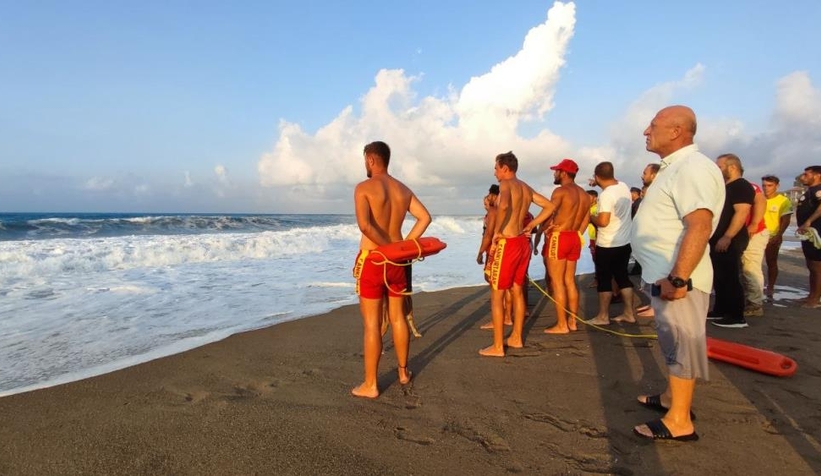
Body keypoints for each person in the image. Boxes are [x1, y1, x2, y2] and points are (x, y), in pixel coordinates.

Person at [632, 105, 725, 442]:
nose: (646, 130)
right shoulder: (676, 168)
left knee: (682, 344)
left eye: (652, 124)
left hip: (680, 279)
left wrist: (678, 278)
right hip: (668, 275)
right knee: (673, 342)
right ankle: (673, 399)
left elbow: (699, 225)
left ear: (676, 131)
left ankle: (679, 421)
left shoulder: (692, 167)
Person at [351, 141, 431, 398]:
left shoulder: (364, 188)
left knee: (372, 325)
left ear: (371, 159)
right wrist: (402, 247)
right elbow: (425, 217)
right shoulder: (402, 189)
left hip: (374, 260)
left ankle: (371, 385)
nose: (365, 164)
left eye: (365, 160)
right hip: (398, 263)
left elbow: (365, 226)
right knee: (398, 318)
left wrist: (385, 247)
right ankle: (403, 372)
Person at [480, 151, 555, 357]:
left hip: (508, 242)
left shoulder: (506, 184)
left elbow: (503, 206)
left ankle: (497, 346)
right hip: (523, 243)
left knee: (497, 294)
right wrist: (531, 224)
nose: (494, 172)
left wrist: (496, 233)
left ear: (505, 168)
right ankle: (516, 338)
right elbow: (550, 206)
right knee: (517, 289)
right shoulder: (525, 187)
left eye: (496, 168)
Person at [536, 158, 591, 334]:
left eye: (556, 171)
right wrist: (576, 234)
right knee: (569, 280)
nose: (554, 173)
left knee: (557, 281)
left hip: (559, 237)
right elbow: (586, 219)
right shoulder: (584, 194)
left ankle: (562, 325)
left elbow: (549, 211)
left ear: (564, 173)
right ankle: (572, 321)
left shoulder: (560, 191)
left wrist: (535, 227)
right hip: (574, 237)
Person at [585, 162, 636, 325]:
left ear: (597, 176)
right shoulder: (622, 186)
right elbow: (610, 182)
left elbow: (603, 221)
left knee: (604, 280)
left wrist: (589, 217)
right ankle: (629, 313)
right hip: (625, 242)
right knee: (622, 277)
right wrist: (597, 182)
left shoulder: (606, 195)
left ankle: (603, 316)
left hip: (607, 244)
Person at [708, 154, 754, 329]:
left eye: (720, 167)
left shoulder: (741, 186)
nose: (717, 170)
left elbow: (741, 212)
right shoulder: (726, 187)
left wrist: (727, 236)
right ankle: (721, 309)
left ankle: (736, 316)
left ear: (732, 167)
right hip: (718, 237)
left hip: (731, 239)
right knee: (719, 276)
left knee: (730, 276)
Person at [478, 185, 514, 328]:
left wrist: (480, 252)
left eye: (488, 197)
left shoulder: (493, 211)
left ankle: (499, 319)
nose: (487, 200)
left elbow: (488, 235)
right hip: (509, 247)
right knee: (507, 285)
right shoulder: (508, 209)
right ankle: (508, 317)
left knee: (495, 284)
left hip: (495, 249)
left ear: (493, 196)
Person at [761, 175, 793, 302]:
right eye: (764, 185)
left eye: (769, 185)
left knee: (771, 262)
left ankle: (770, 286)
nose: (766, 188)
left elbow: (786, 220)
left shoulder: (783, 201)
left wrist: (779, 235)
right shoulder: (760, 199)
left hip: (773, 236)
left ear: (777, 186)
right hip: (757, 235)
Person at [740, 178, 769, 317]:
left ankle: (755, 304)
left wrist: (754, 223)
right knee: (740, 268)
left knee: (750, 268)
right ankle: (747, 300)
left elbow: (761, 200)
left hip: (753, 233)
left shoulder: (747, 185)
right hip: (738, 233)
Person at [796, 165, 821, 308]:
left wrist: (809, 221)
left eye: (806, 174)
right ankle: (811, 295)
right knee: (811, 265)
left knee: (817, 266)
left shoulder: (818, 190)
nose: (802, 177)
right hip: (808, 235)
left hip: (817, 232)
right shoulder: (810, 191)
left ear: (817, 176)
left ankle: (815, 299)